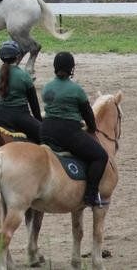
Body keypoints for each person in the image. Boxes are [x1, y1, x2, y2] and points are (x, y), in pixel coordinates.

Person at [40, 52, 108, 206]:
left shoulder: (47, 87)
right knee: (100, 156)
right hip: (68, 133)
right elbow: (88, 114)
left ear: (55, 67)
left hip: (45, 130)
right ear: (71, 68)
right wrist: (92, 128)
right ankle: (91, 195)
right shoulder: (76, 90)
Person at [0, 41, 41, 143]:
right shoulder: (24, 76)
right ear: (17, 57)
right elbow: (34, 105)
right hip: (20, 118)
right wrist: (39, 122)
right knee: (45, 135)